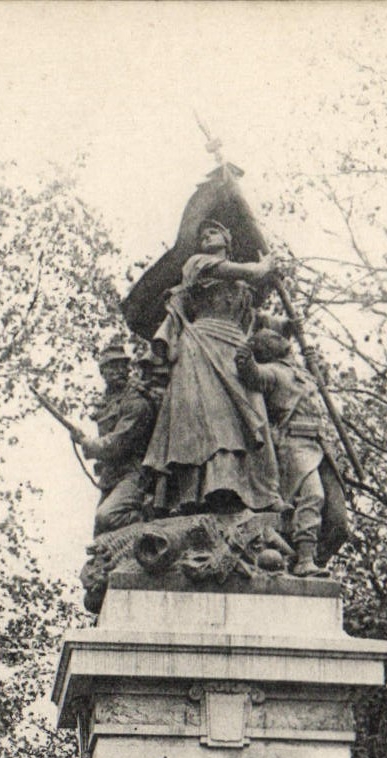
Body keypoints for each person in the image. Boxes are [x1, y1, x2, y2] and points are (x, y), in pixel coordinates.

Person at [142, 221, 283, 518]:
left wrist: (288, 327)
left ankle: (257, 491)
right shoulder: (198, 264)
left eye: (213, 232)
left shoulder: (242, 288)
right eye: (202, 233)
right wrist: (263, 268)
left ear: (227, 239)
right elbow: (251, 271)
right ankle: (199, 492)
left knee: (250, 417)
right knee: (206, 420)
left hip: (236, 348)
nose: (206, 236)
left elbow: (257, 321)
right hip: (200, 345)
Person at [236, 328, 344, 576]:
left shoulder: (303, 372)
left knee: (339, 521)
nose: (280, 337)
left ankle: (308, 560)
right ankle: (305, 559)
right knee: (313, 497)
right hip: (295, 446)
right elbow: (254, 376)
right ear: (267, 349)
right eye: (271, 337)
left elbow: (318, 388)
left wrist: (314, 363)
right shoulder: (273, 372)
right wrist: (245, 360)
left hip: (320, 446)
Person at [67, 341, 157, 537]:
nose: (118, 371)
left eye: (122, 365)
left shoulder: (136, 401)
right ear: (103, 372)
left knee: (107, 517)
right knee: (100, 534)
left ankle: (152, 519)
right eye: (112, 366)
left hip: (135, 474)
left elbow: (118, 443)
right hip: (112, 476)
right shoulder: (108, 401)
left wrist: (86, 442)